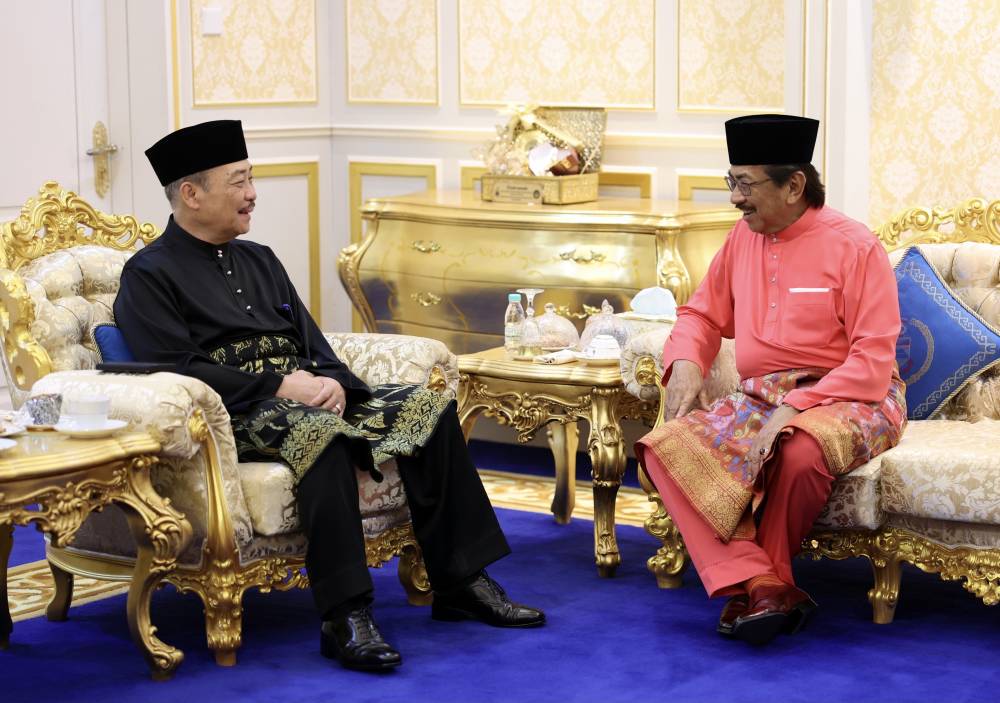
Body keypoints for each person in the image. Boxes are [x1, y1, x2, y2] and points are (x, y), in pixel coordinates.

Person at [114, 120, 545, 672]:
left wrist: (333, 381)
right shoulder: (148, 274)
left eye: (252, 179)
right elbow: (174, 367)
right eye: (238, 182)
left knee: (428, 410)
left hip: (303, 396)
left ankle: (460, 581)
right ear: (191, 194)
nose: (252, 195)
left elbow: (311, 342)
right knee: (320, 434)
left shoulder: (259, 258)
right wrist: (279, 386)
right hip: (237, 412)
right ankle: (345, 615)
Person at [635, 114, 906, 646]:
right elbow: (701, 315)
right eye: (730, 181)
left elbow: (873, 359)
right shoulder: (741, 238)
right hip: (761, 395)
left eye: (745, 184)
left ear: (794, 185)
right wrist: (686, 360)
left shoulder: (856, 247)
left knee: (800, 448)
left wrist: (801, 404)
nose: (734, 197)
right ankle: (762, 584)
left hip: (853, 393)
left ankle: (762, 586)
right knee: (661, 447)